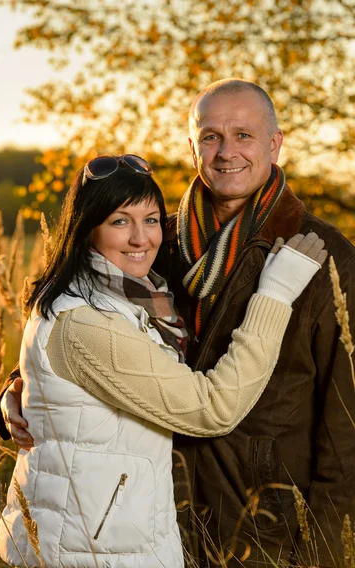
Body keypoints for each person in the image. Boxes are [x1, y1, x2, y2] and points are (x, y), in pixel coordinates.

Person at [0, 154, 324, 568]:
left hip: (109, 535)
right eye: (119, 221)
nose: (141, 238)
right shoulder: (88, 319)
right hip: (95, 551)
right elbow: (213, 410)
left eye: (151, 219)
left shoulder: (135, 293)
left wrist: (18, 386)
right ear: (86, 230)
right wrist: (274, 295)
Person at [152, 79, 355, 567]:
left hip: (269, 527)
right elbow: (88, 327)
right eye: (211, 136)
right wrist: (23, 389)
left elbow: (347, 424)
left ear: (274, 143)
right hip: (161, 518)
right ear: (191, 146)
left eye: (243, 135)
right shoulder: (154, 246)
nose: (226, 153)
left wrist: (325, 549)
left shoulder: (328, 255)